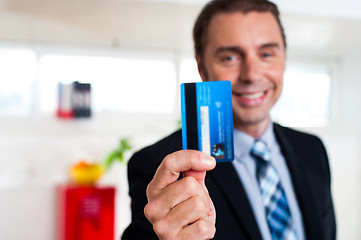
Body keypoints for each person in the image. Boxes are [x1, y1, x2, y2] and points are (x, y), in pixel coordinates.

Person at [122, 0, 336, 239]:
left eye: (266, 54)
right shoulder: (159, 167)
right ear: (202, 68)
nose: (251, 75)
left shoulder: (312, 150)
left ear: (283, 58)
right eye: (230, 58)